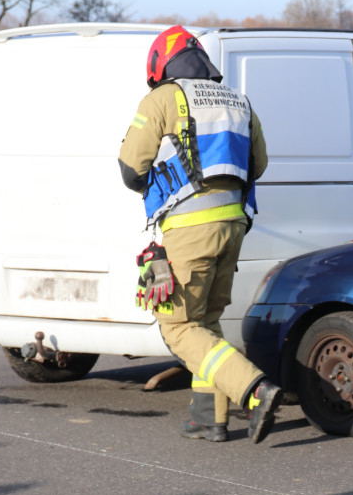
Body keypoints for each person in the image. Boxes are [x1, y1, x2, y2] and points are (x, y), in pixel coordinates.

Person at [118, 25, 281, 443]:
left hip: (190, 228)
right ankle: (210, 418)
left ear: (161, 65)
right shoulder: (238, 100)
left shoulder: (163, 98)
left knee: (177, 327)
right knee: (205, 322)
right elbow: (259, 164)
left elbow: (131, 170)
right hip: (234, 225)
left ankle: (254, 389)